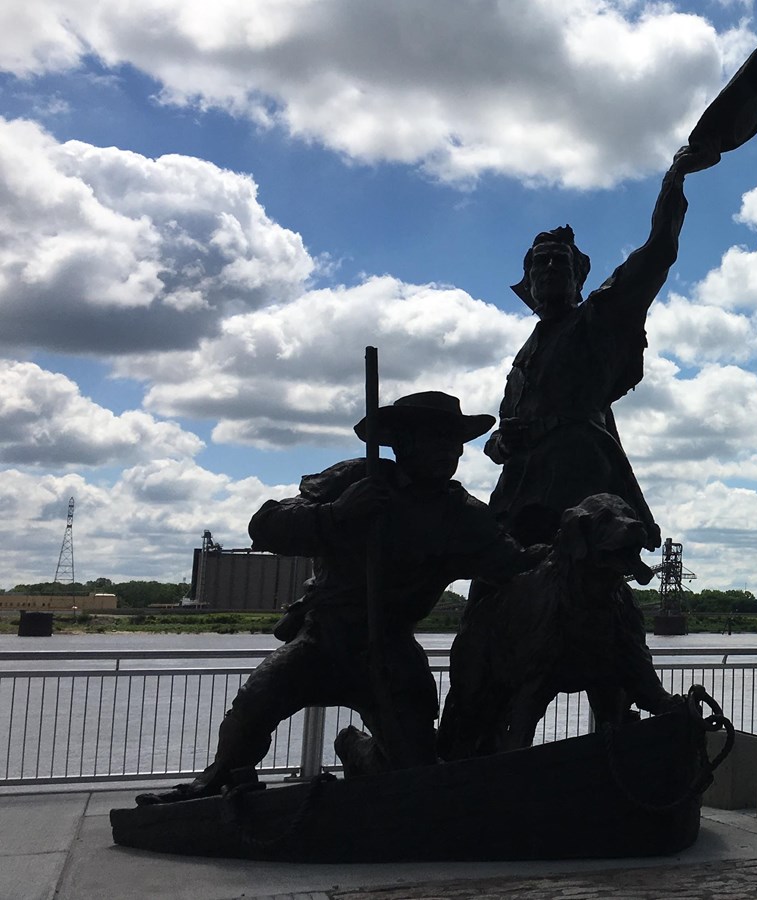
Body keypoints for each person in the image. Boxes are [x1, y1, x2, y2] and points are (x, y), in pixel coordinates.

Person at [137, 391, 540, 805]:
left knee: (415, 771)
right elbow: (266, 525)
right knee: (254, 705)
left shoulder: (463, 514)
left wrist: (572, 547)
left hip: (390, 649)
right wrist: (337, 514)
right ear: (403, 444)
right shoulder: (357, 479)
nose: (450, 451)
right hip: (324, 639)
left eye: (455, 442)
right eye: (436, 439)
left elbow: (512, 562)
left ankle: (354, 748)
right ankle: (217, 783)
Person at [486, 143, 719, 550]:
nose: (551, 269)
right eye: (541, 263)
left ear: (579, 276)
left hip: (576, 472)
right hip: (520, 482)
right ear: (528, 280)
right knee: (492, 572)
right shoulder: (525, 355)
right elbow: (502, 430)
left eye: (561, 262)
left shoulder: (598, 316)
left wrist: (673, 183)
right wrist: (501, 442)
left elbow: (656, 254)